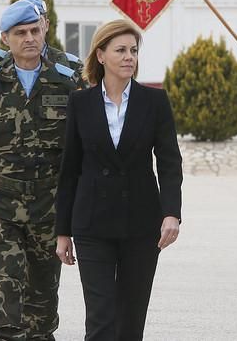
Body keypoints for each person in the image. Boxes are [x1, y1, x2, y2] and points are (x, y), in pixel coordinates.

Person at [0, 0, 82, 339]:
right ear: (5, 38)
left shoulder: (71, 79)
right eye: (20, 33)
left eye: (34, 31)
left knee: (42, 311)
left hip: (50, 210)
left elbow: (90, 144)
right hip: (2, 207)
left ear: (45, 30)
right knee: (5, 300)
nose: (29, 38)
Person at [55, 19, 183, 341]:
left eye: (134, 51)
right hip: (92, 225)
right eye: (121, 50)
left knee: (130, 321)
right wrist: (63, 231)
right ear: (101, 55)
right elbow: (70, 169)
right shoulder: (80, 103)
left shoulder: (154, 102)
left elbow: (169, 163)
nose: (129, 57)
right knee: (100, 320)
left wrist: (171, 213)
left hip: (141, 224)